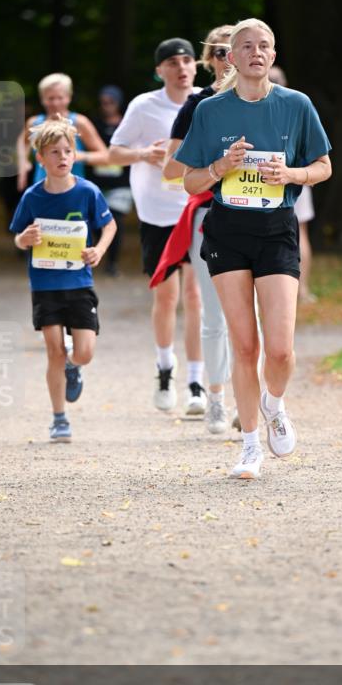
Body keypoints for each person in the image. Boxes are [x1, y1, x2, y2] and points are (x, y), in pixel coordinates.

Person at [177, 18, 332, 479]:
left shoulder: (296, 105)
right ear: (232, 55)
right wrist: (220, 165)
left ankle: (274, 403)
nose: (256, 53)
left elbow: (323, 165)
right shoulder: (211, 111)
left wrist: (293, 176)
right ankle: (248, 446)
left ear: (273, 54)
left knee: (280, 350)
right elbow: (188, 181)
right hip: (227, 231)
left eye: (264, 45)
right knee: (244, 346)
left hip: (277, 228)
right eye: (246, 46)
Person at [108, 38, 206, 415]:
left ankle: (196, 381)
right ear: (159, 70)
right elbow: (114, 151)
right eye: (172, 62)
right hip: (157, 213)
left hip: (196, 208)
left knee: (196, 296)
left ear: (195, 66)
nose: (181, 67)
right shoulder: (144, 106)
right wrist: (143, 154)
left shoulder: (206, 101)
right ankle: (166, 368)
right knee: (166, 296)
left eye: (187, 60)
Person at [9, 118, 116, 443]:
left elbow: (109, 226)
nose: (63, 157)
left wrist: (98, 250)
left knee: (83, 353)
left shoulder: (88, 192)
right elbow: (18, 238)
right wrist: (24, 240)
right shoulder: (32, 197)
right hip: (44, 285)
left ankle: (74, 365)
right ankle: (59, 419)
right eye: (54, 152)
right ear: (40, 158)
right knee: (53, 351)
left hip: (79, 284)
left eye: (68, 151)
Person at [158, 25, 234, 434]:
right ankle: (216, 399)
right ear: (209, 60)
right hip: (209, 213)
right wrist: (212, 162)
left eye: (236, 49)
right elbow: (171, 168)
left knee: (254, 314)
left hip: (260, 212)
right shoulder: (196, 105)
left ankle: (250, 398)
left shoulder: (271, 100)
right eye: (220, 51)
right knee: (213, 313)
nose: (228, 57)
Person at [269, 65, 317, 304]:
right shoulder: (296, 108)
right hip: (297, 175)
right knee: (300, 232)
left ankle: (297, 287)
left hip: (287, 177)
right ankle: (302, 289)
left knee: (296, 233)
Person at [16, 73, 108, 191]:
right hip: (42, 190)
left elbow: (106, 156)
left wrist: (78, 156)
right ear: (42, 99)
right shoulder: (34, 123)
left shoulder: (80, 123)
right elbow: (22, 142)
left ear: (69, 97)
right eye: (50, 98)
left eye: (60, 98)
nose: (55, 103)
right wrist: (23, 162)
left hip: (73, 191)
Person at [91, 85, 132, 277]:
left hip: (120, 184)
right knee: (96, 223)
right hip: (96, 183)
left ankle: (112, 263)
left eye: (111, 102)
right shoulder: (94, 125)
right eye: (104, 102)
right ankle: (99, 253)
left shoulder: (127, 124)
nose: (107, 105)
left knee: (116, 221)